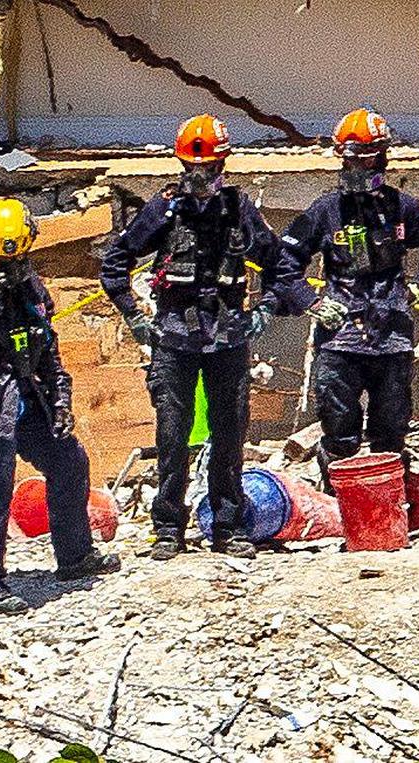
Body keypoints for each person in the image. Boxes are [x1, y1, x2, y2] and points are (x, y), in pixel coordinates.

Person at [101, 114, 282, 560]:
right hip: (174, 340)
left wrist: (265, 311)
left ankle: (227, 526)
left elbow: (281, 266)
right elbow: (114, 263)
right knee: (172, 436)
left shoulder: (240, 211)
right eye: (193, 168)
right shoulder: (163, 209)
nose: (201, 178)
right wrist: (135, 317)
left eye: (211, 168)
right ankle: (168, 528)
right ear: (181, 165)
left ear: (223, 165)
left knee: (229, 435)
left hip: (227, 341)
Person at [0, 197, 120, 614]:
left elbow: (48, 350)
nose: (11, 261)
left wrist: (61, 401)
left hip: (27, 399)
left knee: (70, 462)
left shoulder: (34, 288)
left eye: (17, 251)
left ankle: (75, 557)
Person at [275, 108, 419, 493]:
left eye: (366, 156)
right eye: (350, 157)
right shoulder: (325, 211)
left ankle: (389, 504)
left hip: (390, 334)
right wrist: (310, 301)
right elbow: (285, 262)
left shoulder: (403, 207)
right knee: (339, 428)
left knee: (390, 431)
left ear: (382, 155)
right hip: (339, 334)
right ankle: (340, 504)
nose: (358, 165)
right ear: (340, 158)